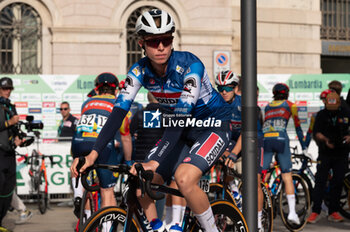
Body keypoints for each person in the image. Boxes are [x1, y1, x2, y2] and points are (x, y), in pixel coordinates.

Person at [71, 9, 232, 232]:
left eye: (165, 40)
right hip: (181, 131)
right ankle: (158, 227)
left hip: (212, 126)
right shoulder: (138, 71)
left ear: (172, 40)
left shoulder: (190, 65)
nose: (160, 47)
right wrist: (93, 154)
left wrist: (154, 162)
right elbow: (118, 113)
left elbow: (182, 115)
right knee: (139, 183)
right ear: (141, 44)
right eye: (153, 41)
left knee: (184, 179)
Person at [70, 73, 132, 219]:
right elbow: (126, 137)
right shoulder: (119, 103)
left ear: (97, 89)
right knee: (107, 191)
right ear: (116, 90)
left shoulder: (87, 103)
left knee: (78, 168)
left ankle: (79, 197)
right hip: (102, 147)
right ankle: (106, 226)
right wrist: (128, 161)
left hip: (79, 142)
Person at [262, 83, 307, 225]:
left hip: (266, 139)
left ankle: (262, 205)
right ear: (286, 93)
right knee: (287, 176)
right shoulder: (291, 105)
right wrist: (304, 146)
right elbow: (298, 128)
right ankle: (292, 213)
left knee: (264, 174)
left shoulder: (268, 106)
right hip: (281, 139)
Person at [307, 90, 350, 223]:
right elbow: (316, 132)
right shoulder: (320, 115)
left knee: (337, 182)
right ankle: (315, 211)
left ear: (338, 103)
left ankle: (334, 211)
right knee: (320, 182)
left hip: (341, 153)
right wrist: (324, 139)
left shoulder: (346, 113)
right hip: (325, 153)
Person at [0, 77, 23, 232]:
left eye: (10, 89)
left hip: (10, 152)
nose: (8, 91)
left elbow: (15, 128)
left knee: (8, 190)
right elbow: (8, 123)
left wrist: (18, 137)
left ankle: (0, 220)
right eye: (5, 88)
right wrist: (10, 123)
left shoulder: (11, 106)